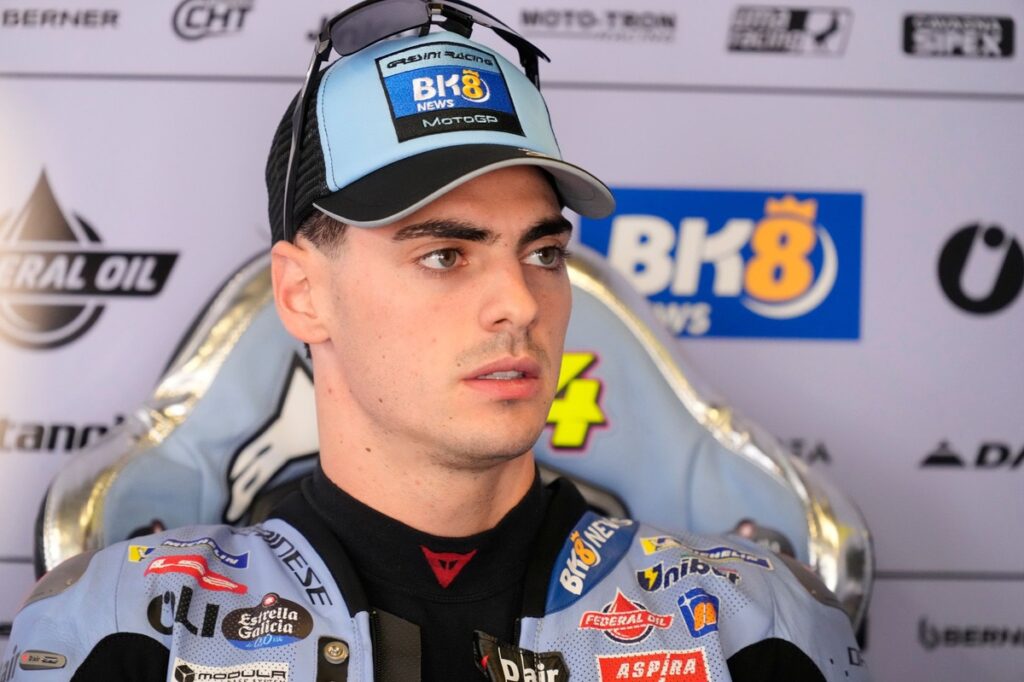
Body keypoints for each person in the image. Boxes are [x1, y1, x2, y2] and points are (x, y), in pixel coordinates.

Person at [2, 2, 869, 680]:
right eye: (445, 255)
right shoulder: (128, 628)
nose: (518, 303)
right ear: (302, 294)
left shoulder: (746, 624)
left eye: (544, 252)